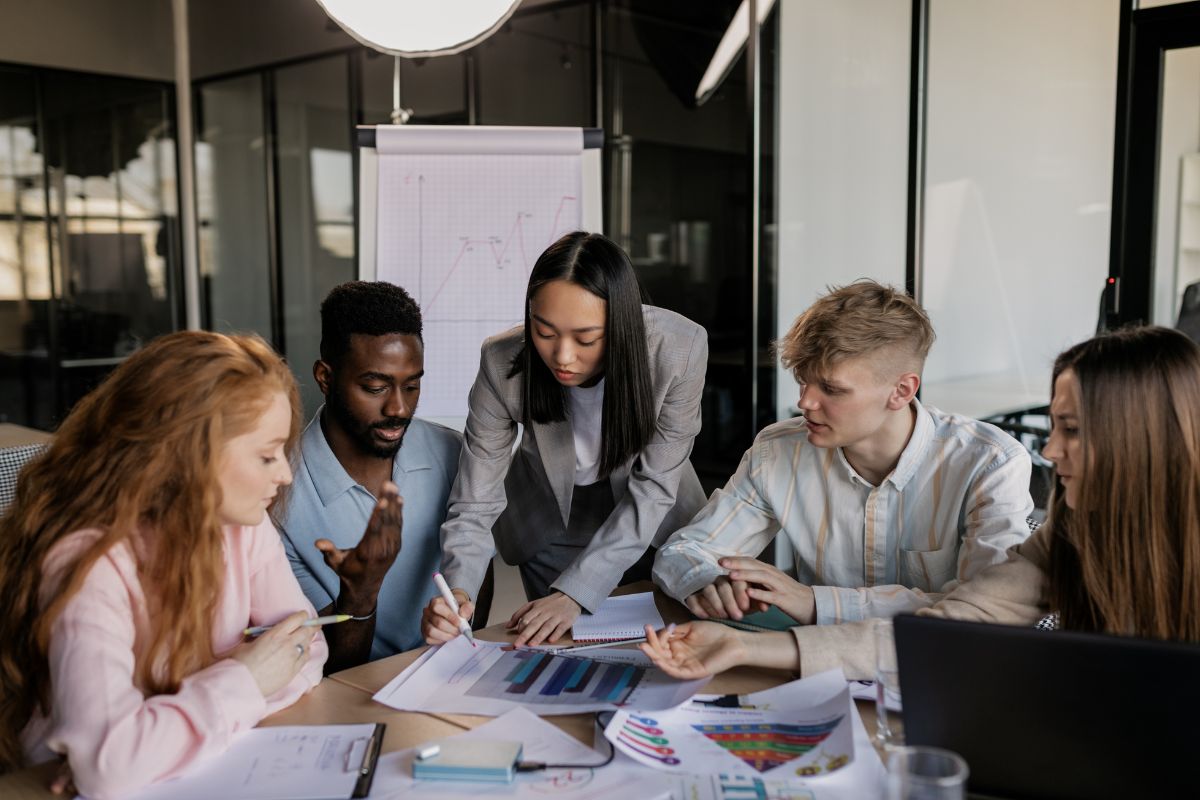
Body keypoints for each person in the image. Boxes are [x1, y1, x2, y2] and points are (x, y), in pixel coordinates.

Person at [641, 325, 1200, 680]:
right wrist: (741, 648)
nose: (1051, 451)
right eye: (1055, 426)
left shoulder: (990, 461)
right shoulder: (1070, 532)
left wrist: (814, 602)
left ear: (1141, 437)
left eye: (1072, 430)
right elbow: (953, 629)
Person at [0, 331, 327, 797]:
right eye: (266, 455)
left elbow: (307, 649)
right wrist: (247, 677)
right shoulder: (88, 560)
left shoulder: (243, 527)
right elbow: (110, 767)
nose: (286, 474)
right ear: (187, 456)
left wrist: (157, 734)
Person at [653, 280, 1033, 625]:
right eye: (803, 382)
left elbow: (985, 613)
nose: (805, 402)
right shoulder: (778, 452)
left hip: (941, 673)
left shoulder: (990, 464)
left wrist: (816, 603)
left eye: (831, 390)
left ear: (902, 390)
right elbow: (685, 550)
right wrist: (707, 581)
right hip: (814, 671)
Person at [423, 231, 708, 647]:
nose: (563, 356)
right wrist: (459, 590)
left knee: (656, 649)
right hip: (549, 521)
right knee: (562, 652)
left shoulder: (678, 349)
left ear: (621, 325)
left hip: (652, 519)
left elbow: (653, 489)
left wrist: (577, 591)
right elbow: (475, 498)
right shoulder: (502, 360)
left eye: (586, 338)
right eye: (544, 332)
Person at [277, 282, 462, 670]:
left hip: (448, 676)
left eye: (412, 386)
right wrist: (361, 593)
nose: (398, 407)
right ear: (326, 378)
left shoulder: (454, 453)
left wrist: (461, 624)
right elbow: (329, 665)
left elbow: (476, 570)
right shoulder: (278, 492)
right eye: (375, 387)